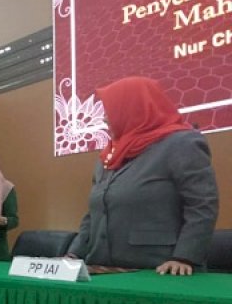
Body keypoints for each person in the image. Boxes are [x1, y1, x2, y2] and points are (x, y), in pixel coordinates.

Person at [66, 76, 218, 275]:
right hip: (102, 268)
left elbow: (202, 205)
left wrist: (184, 257)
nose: (104, 119)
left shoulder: (182, 143)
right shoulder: (109, 155)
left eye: (110, 110)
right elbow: (93, 214)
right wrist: (73, 255)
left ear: (133, 107)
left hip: (161, 271)